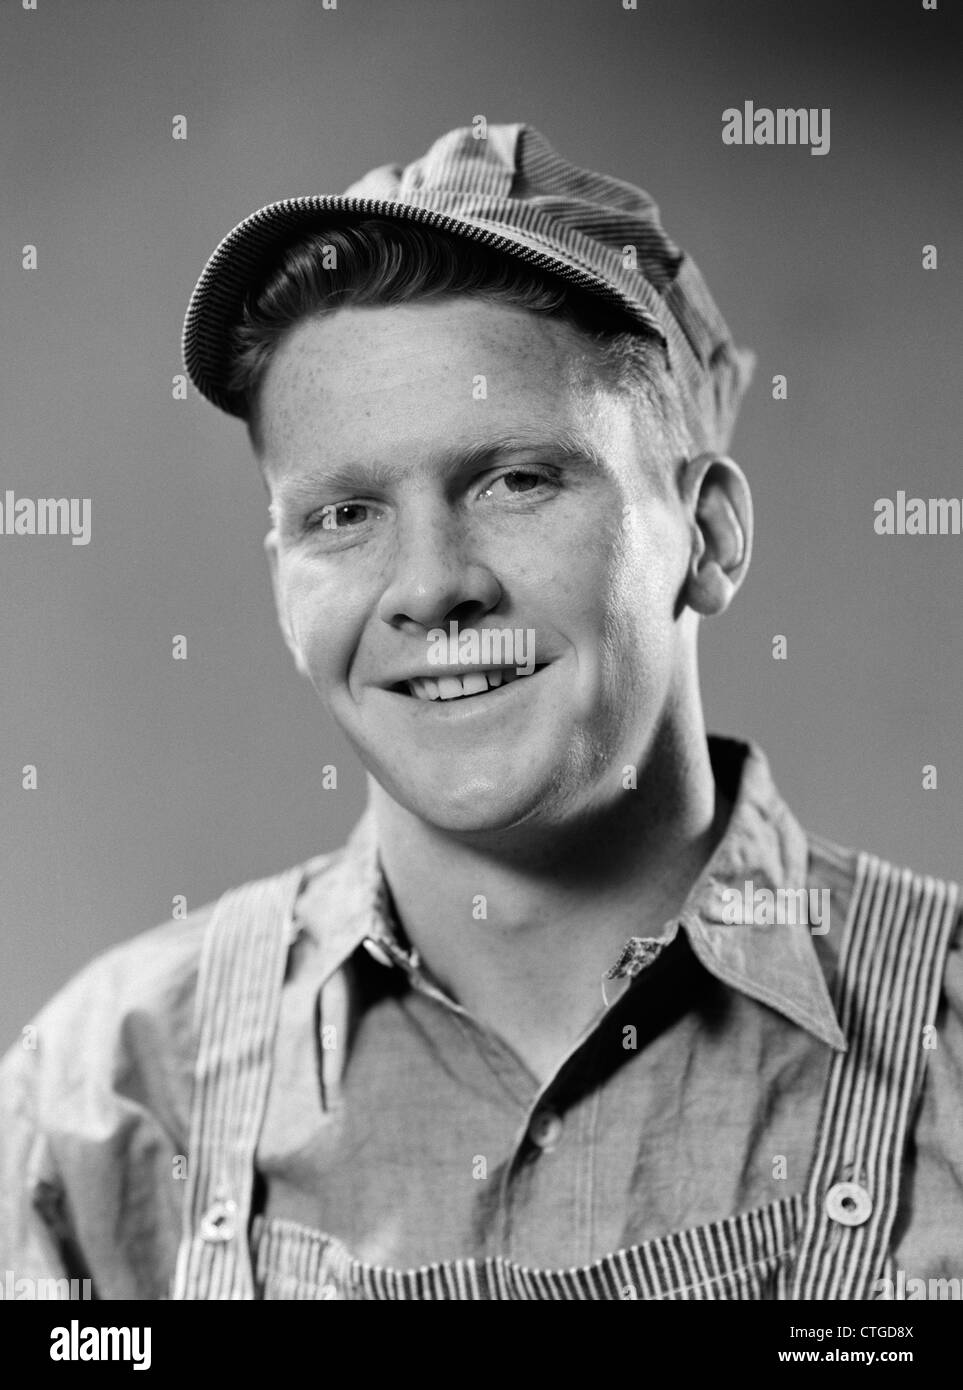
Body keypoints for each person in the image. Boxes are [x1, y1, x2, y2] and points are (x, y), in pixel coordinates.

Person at [1, 123, 960, 1302]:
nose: (428, 586)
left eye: (515, 480)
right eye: (343, 514)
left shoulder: (945, 1057)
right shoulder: (109, 1096)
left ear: (706, 538)